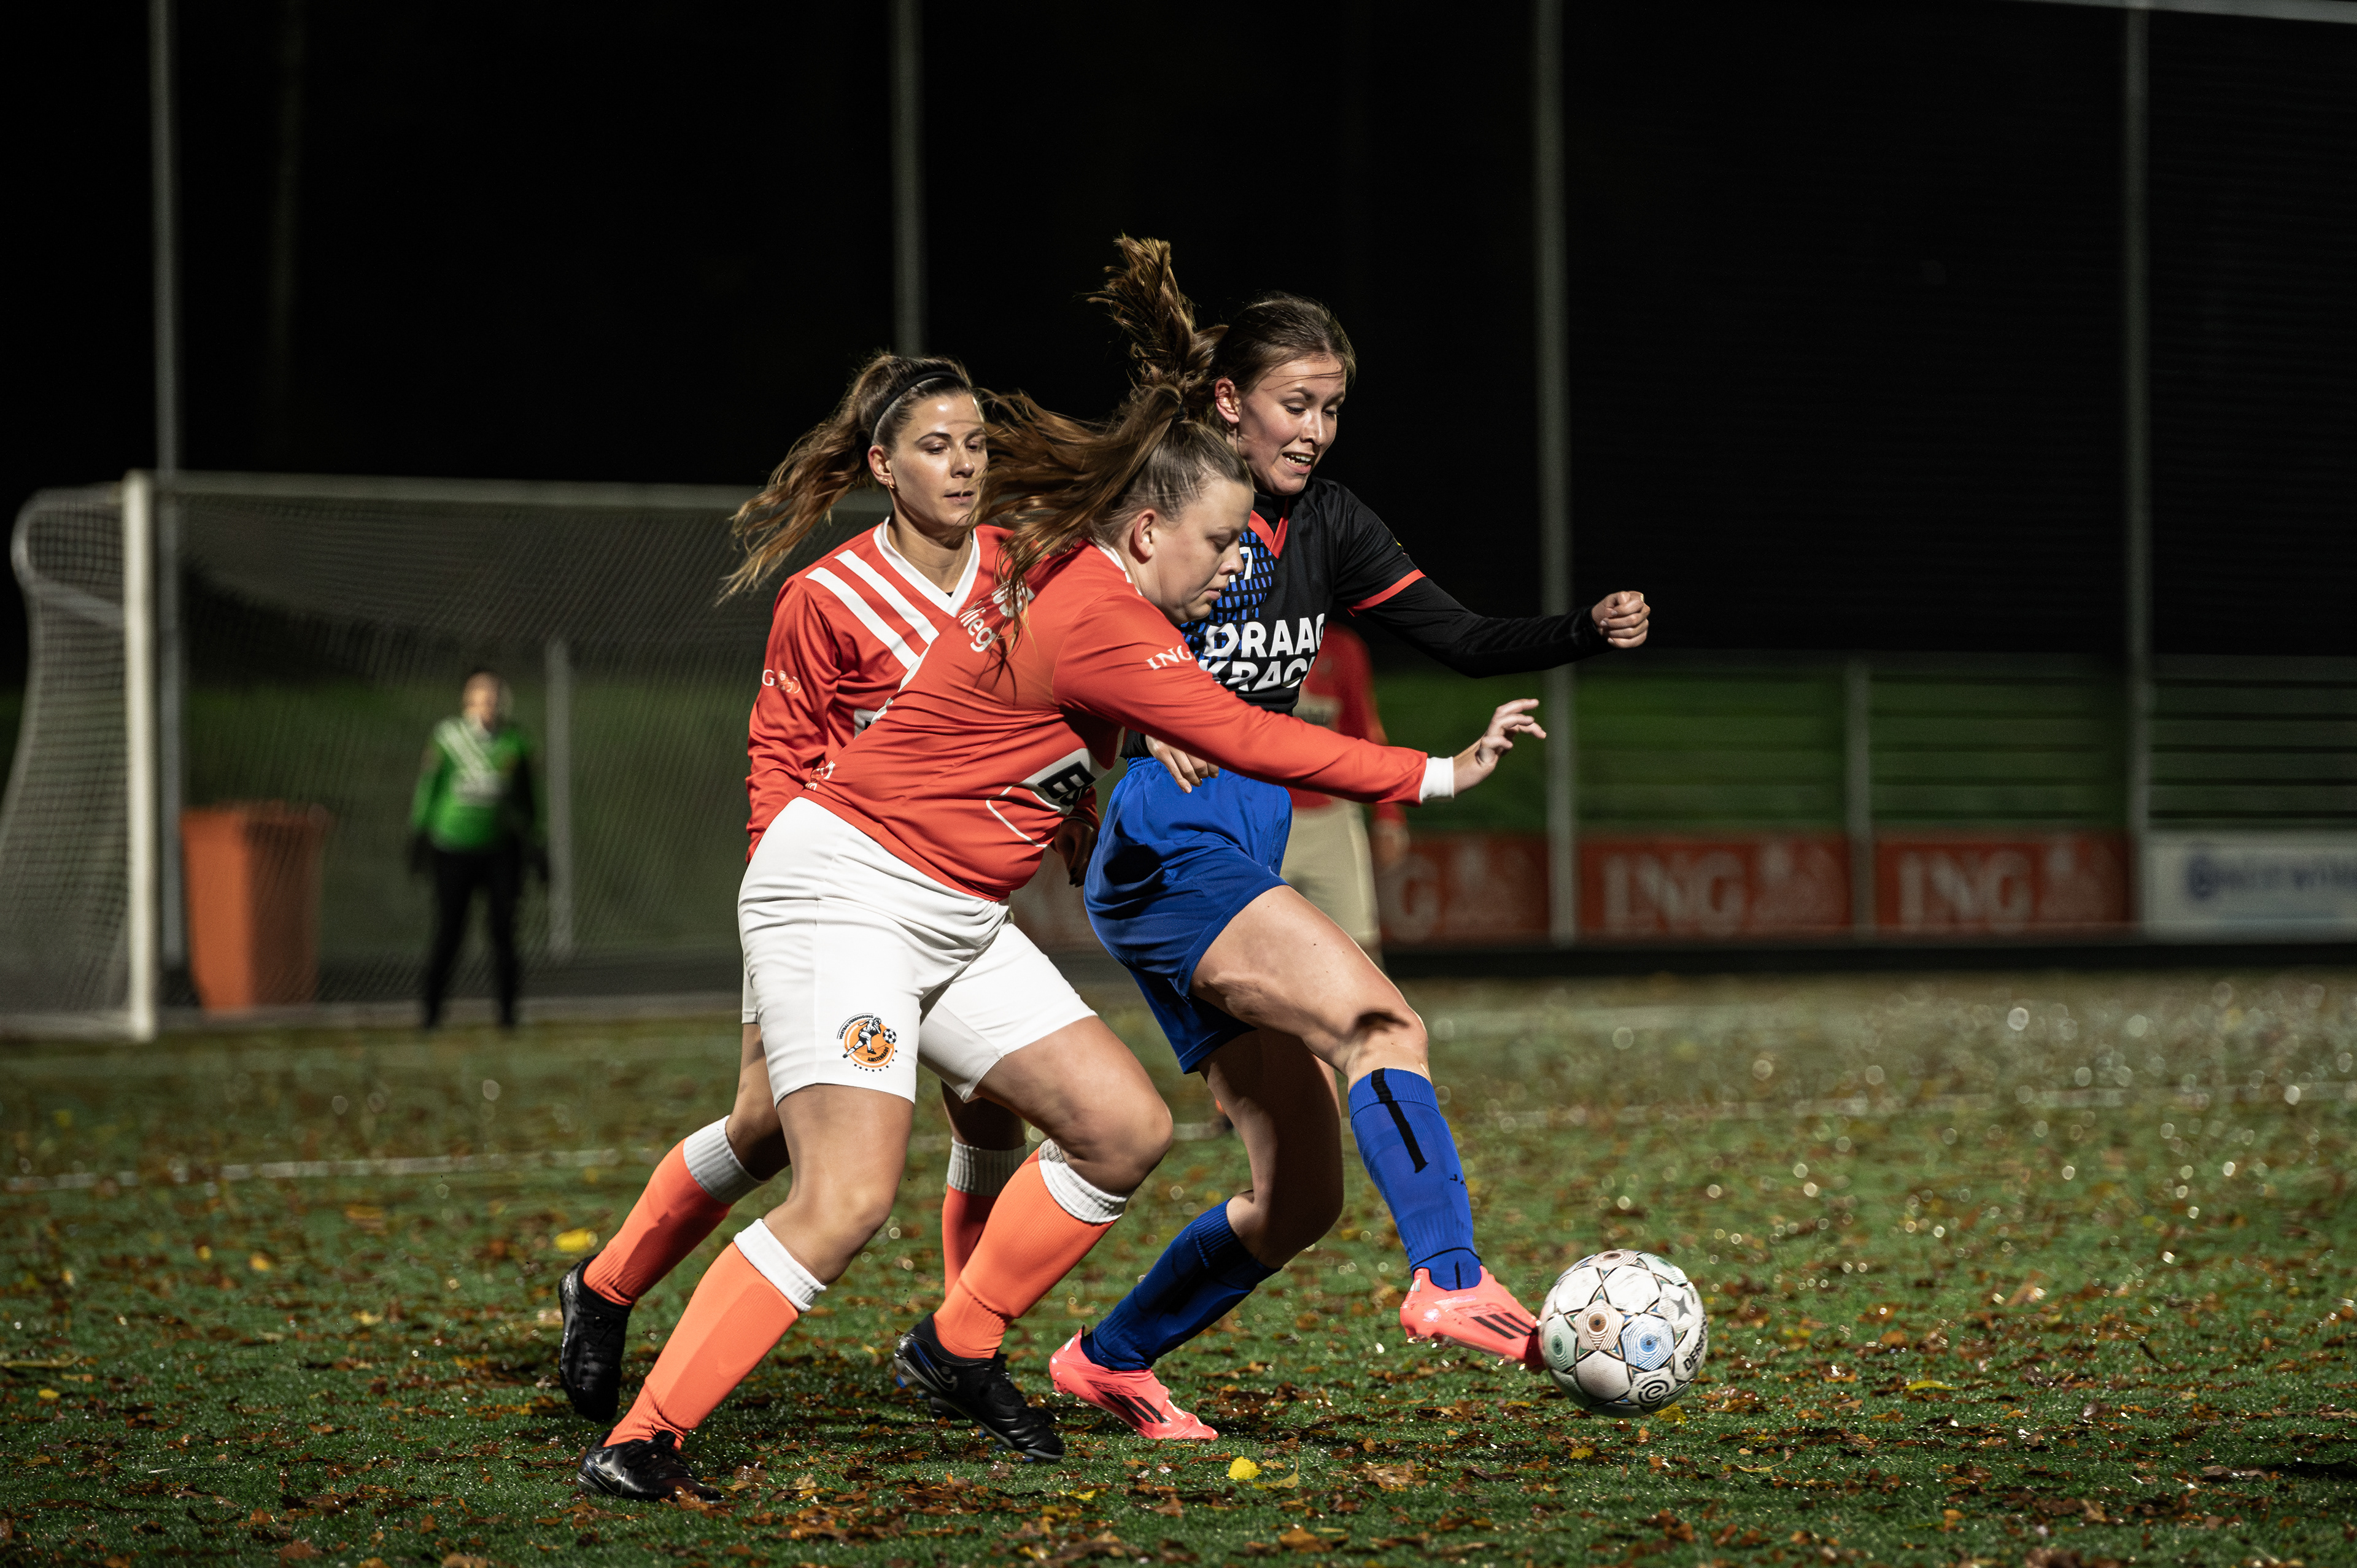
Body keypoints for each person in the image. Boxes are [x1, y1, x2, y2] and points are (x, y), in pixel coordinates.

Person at [575, 387, 1542, 1501]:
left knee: (1122, 1128)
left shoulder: (1077, 583)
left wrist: (1122, 742)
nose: (1238, 563)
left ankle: (957, 1344)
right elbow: (1245, 731)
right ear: (1148, 533)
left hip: (953, 913)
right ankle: (643, 1440)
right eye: (1222, 540)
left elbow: (1074, 690)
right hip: (852, 895)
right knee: (844, 1197)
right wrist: (1436, 772)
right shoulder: (1102, 613)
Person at [1049, 238, 1651, 1440]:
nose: (1317, 430)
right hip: (1172, 848)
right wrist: (1120, 728)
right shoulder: (1166, 502)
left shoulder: (1327, 524)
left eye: (1332, 409)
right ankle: (1448, 1276)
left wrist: (1582, 629)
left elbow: (1460, 637)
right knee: (1383, 1023)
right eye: (1297, 404)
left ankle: (1107, 1358)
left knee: (1299, 1197)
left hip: (1235, 848)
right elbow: (1061, 622)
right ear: (1229, 401)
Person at [556, 353, 1032, 1426]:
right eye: (937, 447)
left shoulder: (1020, 570)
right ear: (884, 464)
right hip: (837, 897)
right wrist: (787, 910)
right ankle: (606, 1286)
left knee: (991, 1101)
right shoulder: (827, 596)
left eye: (976, 446)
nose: (965, 466)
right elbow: (778, 760)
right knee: (766, 1125)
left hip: (958, 889)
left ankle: (966, 1342)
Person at [410, 670, 543, 1029]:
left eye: (494, 697)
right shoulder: (447, 738)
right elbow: (429, 787)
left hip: (500, 849)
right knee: (450, 930)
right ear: (467, 701)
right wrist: (419, 832)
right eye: (481, 697)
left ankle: (508, 1016)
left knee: (504, 930)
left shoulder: (515, 742)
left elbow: (530, 798)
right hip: (453, 846)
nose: (488, 705)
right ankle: (431, 1014)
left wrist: (537, 841)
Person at [1280, 622, 1403, 962]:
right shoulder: (1245, 637)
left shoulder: (1341, 646)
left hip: (1333, 819)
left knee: (1361, 952)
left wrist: (1388, 813)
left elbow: (1365, 731)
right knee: (1256, 951)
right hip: (1263, 817)